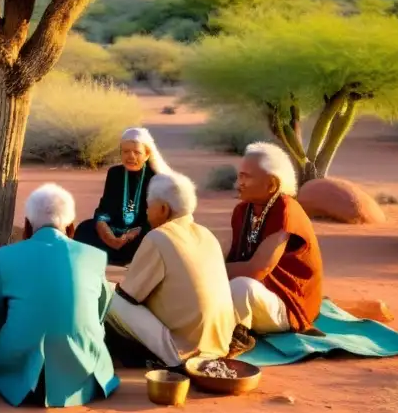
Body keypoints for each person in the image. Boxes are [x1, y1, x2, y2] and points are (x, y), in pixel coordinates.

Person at [0, 183, 119, 408]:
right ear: (71, 228)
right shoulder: (95, 256)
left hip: (19, 370)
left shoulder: (5, 257)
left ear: (27, 226)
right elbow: (99, 315)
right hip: (80, 371)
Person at [104, 171, 239, 368]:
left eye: (148, 207)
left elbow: (129, 297)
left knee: (103, 289)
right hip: (220, 346)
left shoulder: (159, 237)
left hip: (183, 351)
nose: (147, 213)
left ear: (163, 209)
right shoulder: (207, 234)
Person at [226, 142, 325, 335]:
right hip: (263, 294)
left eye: (246, 177)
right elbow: (234, 258)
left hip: (288, 304)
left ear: (271, 184)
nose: (239, 184)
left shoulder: (286, 210)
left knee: (240, 288)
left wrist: (207, 270)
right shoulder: (242, 211)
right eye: (239, 176)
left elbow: (258, 269)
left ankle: (236, 335)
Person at [74, 127, 173, 266]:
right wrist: (105, 230)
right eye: (126, 151)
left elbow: (157, 217)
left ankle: (124, 257)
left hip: (141, 233)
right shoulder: (115, 173)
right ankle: (115, 255)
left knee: (157, 235)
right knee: (84, 228)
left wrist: (133, 233)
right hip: (114, 230)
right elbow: (104, 208)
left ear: (147, 154)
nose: (130, 156)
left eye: (137, 152)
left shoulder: (156, 177)